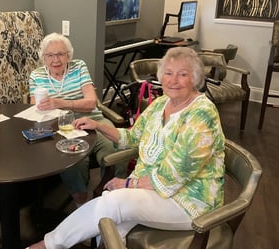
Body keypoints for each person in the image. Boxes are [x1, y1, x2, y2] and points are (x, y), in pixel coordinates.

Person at [27, 46, 226, 249]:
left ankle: (47, 245)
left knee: (113, 203)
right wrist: (98, 125)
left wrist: (129, 184)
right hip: (151, 189)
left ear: (195, 78)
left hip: (189, 201)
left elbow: (174, 176)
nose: (173, 80)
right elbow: (131, 137)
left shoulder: (202, 113)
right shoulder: (161, 104)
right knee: (109, 224)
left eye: (182, 74)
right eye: (168, 73)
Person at [29, 32, 128, 207]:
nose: (55, 59)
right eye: (50, 55)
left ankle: (110, 195)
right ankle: (80, 200)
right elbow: (34, 109)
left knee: (116, 150)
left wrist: (60, 102)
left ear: (69, 55)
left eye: (60, 54)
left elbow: (90, 103)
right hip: (61, 127)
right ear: (43, 58)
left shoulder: (79, 66)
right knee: (73, 161)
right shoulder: (36, 75)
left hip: (93, 120)